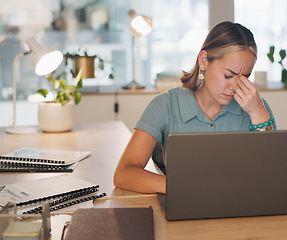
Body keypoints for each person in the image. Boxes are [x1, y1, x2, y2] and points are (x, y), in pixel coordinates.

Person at [113, 21, 276, 193]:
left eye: (245, 77)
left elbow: (274, 178)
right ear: (204, 60)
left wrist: (258, 114)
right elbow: (124, 173)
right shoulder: (165, 105)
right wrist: (186, 187)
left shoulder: (257, 107)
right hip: (184, 209)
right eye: (229, 75)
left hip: (243, 212)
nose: (236, 86)